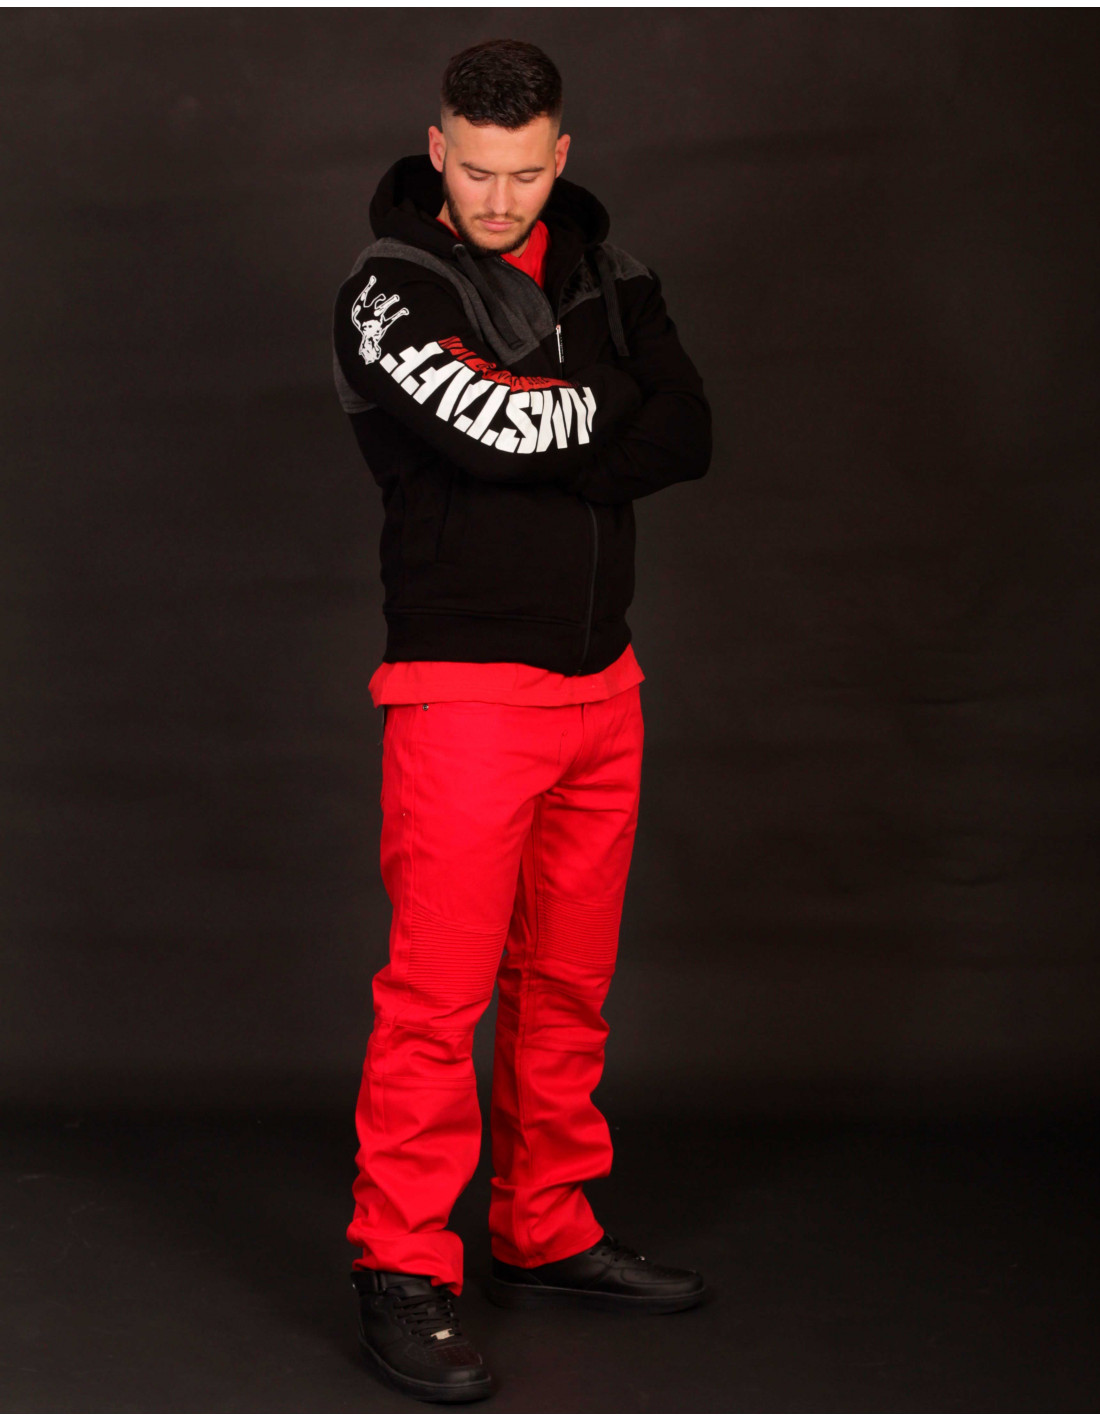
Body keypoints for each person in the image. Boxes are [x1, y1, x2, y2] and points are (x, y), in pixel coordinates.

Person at [331, 37, 713, 1404]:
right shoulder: (389, 289)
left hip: (605, 688)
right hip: (463, 693)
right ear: (439, 149)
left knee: (567, 986)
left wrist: (562, 422)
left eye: (524, 173)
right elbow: (486, 429)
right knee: (438, 1001)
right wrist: (601, 412)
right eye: (475, 171)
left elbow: (689, 430)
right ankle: (401, 1266)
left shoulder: (618, 275)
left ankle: (545, 1227)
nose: (498, 200)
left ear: (562, 155)